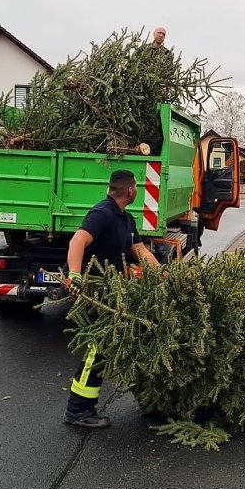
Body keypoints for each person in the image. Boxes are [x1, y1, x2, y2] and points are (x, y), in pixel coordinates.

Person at [63, 169, 160, 428]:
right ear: (130, 190)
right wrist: (74, 274)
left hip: (111, 290)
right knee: (100, 345)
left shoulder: (125, 219)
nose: (137, 190)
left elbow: (138, 250)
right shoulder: (102, 213)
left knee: (126, 338)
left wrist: (163, 274)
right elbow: (77, 241)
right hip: (93, 292)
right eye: (137, 187)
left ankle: (149, 398)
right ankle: (78, 409)